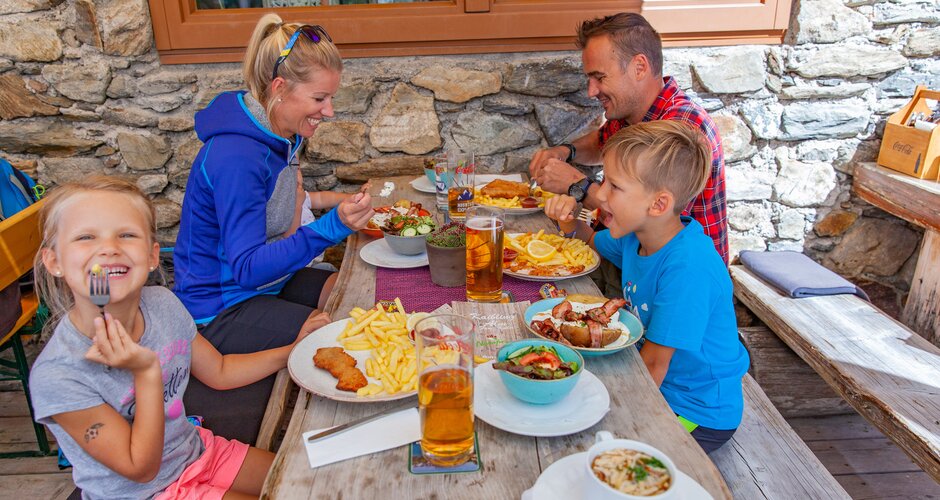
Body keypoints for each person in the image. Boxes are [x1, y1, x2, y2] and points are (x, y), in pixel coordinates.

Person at [29, 176, 328, 499]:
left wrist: (294, 351)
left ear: (153, 255)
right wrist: (146, 372)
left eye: (126, 235)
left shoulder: (161, 303)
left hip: (197, 452)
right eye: (86, 237)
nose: (109, 248)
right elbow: (141, 469)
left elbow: (220, 370)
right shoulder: (58, 375)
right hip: (144, 492)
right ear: (54, 261)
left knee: (314, 483)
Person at [173, 14, 372, 444]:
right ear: (279, 90)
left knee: (353, 294)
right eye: (320, 98)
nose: (329, 111)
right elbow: (246, 268)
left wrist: (329, 219)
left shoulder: (278, 131)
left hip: (261, 287)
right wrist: (331, 227)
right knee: (337, 334)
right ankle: (325, 446)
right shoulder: (237, 155)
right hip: (219, 309)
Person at [543, 121, 749, 453]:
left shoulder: (687, 267)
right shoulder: (637, 234)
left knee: (580, 446)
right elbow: (591, 240)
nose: (601, 193)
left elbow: (655, 365)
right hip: (651, 378)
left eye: (614, 187)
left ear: (658, 204)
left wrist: (610, 418)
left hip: (695, 410)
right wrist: (569, 220)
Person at [529, 13, 728, 266]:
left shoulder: (683, 126)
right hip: (627, 264)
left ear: (639, 67)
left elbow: (648, 219)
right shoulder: (629, 111)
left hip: (673, 280)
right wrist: (565, 151)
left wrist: (576, 184)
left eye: (599, 77)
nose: (591, 91)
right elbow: (601, 141)